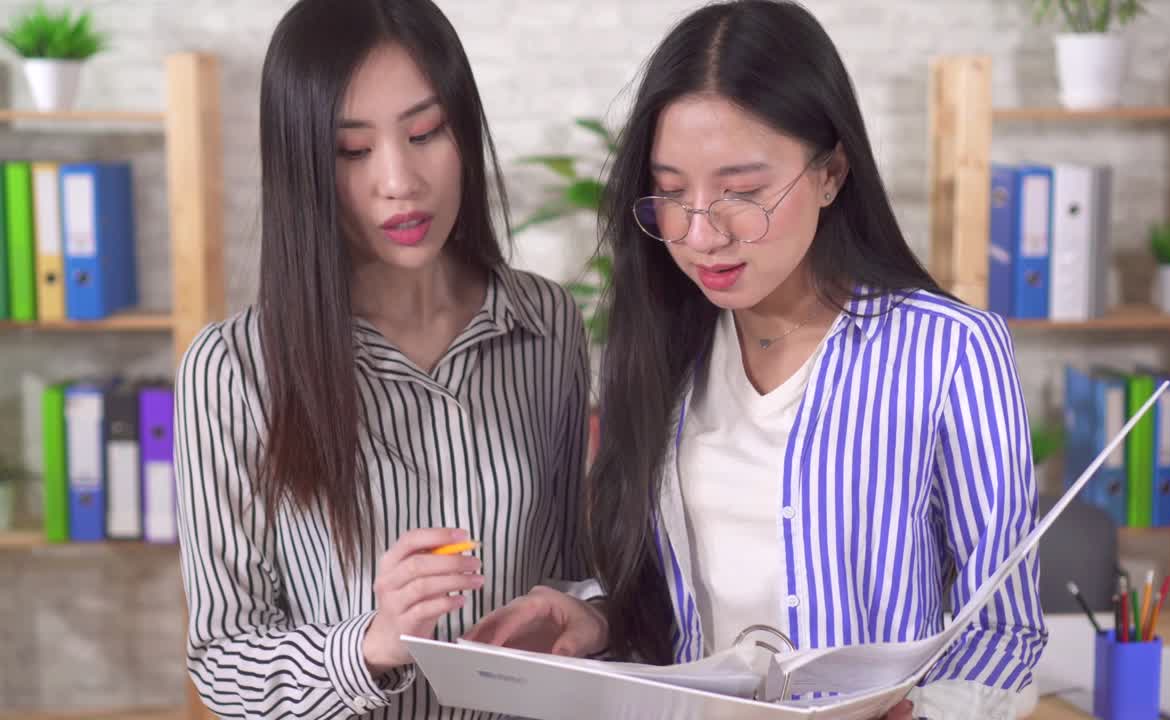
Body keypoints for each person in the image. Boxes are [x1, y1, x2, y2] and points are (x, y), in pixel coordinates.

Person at [465, 2, 1046, 718]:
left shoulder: (951, 352)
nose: (702, 233)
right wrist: (599, 617)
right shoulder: (659, 349)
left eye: (742, 191)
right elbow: (667, 597)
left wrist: (931, 713)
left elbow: (1004, 627)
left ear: (831, 172)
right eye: (673, 193)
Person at [173, 0, 592, 717]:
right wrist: (372, 643)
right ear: (304, 164)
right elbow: (222, 660)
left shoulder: (546, 324)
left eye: (426, 132)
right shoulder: (234, 369)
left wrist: (583, 615)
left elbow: (571, 574)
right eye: (353, 151)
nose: (400, 180)